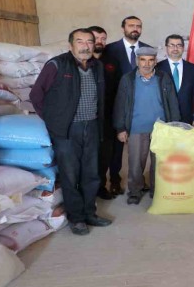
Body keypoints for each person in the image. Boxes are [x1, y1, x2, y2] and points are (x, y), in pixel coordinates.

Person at [31, 28, 112, 236]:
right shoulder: (57, 65)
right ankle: (76, 219)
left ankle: (90, 213)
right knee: (70, 175)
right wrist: (53, 121)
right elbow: (36, 95)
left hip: (92, 127)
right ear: (70, 45)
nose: (85, 46)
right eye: (80, 41)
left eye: (89, 42)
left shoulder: (97, 66)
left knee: (92, 174)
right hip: (67, 130)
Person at [114, 47, 181, 205]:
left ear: (155, 61)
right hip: (136, 127)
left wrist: (174, 126)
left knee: (159, 163)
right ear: (137, 61)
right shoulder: (128, 79)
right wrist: (120, 128)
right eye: (143, 60)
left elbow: (172, 102)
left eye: (150, 60)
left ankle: (157, 190)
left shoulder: (163, 77)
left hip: (161, 128)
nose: (147, 64)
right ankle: (135, 191)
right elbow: (120, 105)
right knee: (135, 163)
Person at [103, 16, 152, 196]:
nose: (135, 28)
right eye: (131, 25)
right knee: (117, 147)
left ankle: (139, 180)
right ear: (123, 28)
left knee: (142, 148)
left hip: (141, 105)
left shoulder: (147, 49)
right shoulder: (110, 50)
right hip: (118, 103)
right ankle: (114, 180)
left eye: (138, 26)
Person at [88, 25, 121, 200]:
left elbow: (119, 90)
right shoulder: (81, 61)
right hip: (87, 117)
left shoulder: (112, 61)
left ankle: (101, 186)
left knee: (105, 154)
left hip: (107, 117)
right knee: (88, 155)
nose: (100, 42)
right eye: (96, 38)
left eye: (103, 39)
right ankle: (87, 189)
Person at [156, 34, 194, 125]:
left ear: (183, 48)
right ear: (166, 48)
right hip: (163, 118)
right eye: (172, 45)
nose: (175, 48)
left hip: (188, 119)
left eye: (179, 45)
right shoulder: (157, 69)